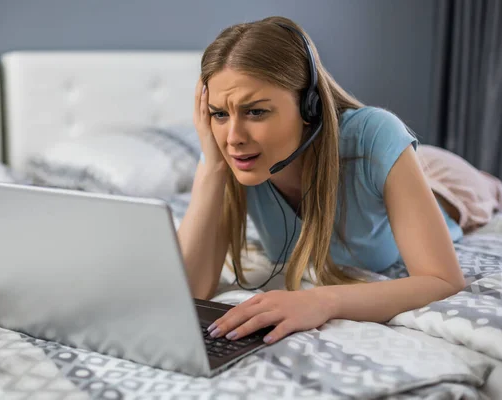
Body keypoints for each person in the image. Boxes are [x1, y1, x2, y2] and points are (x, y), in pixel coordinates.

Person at [177, 15, 468, 346]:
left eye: (256, 112)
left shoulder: (376, 136)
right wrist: (213, 169)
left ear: (309, 106)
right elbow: (190, 290)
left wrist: (323, 300)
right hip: (392, 168)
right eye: (219, 114)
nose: (233, 137)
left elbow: (443, 280)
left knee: (480, 191)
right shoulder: (227, 153)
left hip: (450, 187)